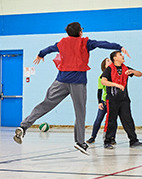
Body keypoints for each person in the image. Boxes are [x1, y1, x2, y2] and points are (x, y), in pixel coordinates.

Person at [13, 22, 129, 155]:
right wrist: (118, 47)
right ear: (80, 32)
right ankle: (80, 142)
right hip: (78, 82)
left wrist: (40, 54)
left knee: (45, 104)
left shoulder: (61, 43)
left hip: (60, 81)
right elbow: (102, 44)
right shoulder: (85, 42)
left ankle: (24, 126)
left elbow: (49, 49)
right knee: (80, 112)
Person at [102, 51, 142, 149]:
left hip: (124, 99)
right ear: (115, 58)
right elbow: (103, 81)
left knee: (128, 120)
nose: (123, 56)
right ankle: (107, 141)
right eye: (120, 55)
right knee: (111, 120)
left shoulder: (125, 68)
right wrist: (116, 84)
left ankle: (133, 140)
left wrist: (133, 72)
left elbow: (140, 74)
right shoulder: (109, 69)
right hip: (112, 99)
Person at [86, 58, 117, 144]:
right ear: (104, 65)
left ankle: (112, 137)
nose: (110, 61)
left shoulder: (115, 75)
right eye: (108, 61)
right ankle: (93, 137)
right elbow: (99, 90)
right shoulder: (101, 77)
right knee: (98, 119)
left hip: (113, 102)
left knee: (113, 120)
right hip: (104, 101)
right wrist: (99, 102)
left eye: (111, 60)